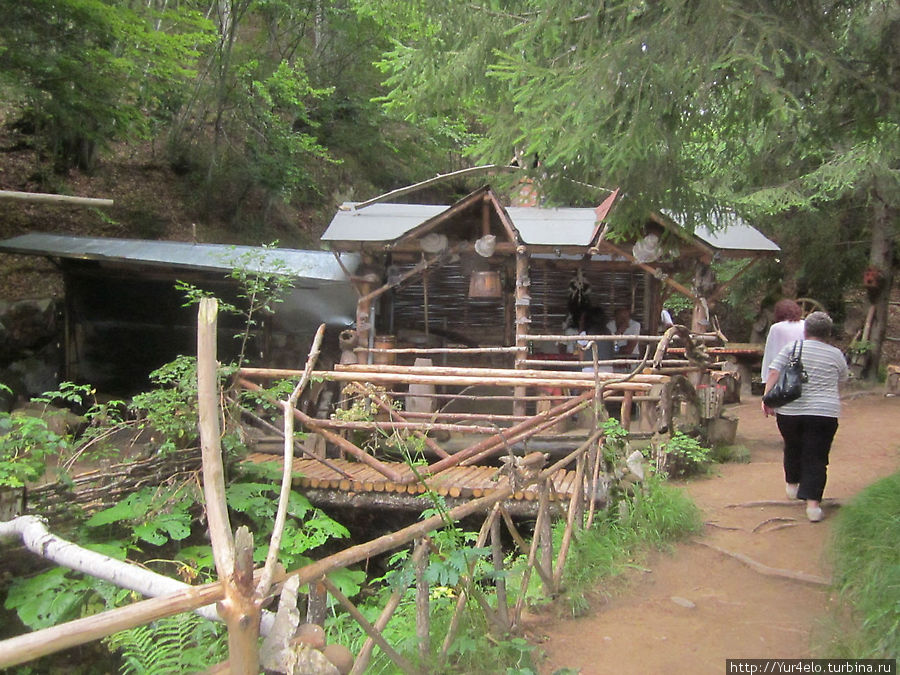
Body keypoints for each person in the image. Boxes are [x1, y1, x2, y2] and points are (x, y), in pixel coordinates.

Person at [762, 311, 848, 522]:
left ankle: (792, 485)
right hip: (824, 413)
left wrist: (767, 399)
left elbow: (773, 371)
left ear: (806, 330)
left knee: (792, 445)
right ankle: (813, 507)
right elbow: (843, 379)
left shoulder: (792, 348)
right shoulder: (836, 354)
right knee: (816, 456)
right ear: (828, 332)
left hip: (790, 411)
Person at [760, 299, 805, 379]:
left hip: (782, 368)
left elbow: (770, 352)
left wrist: (766, 376)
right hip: (802, 365)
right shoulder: (805, 324)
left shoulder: (776, 328)